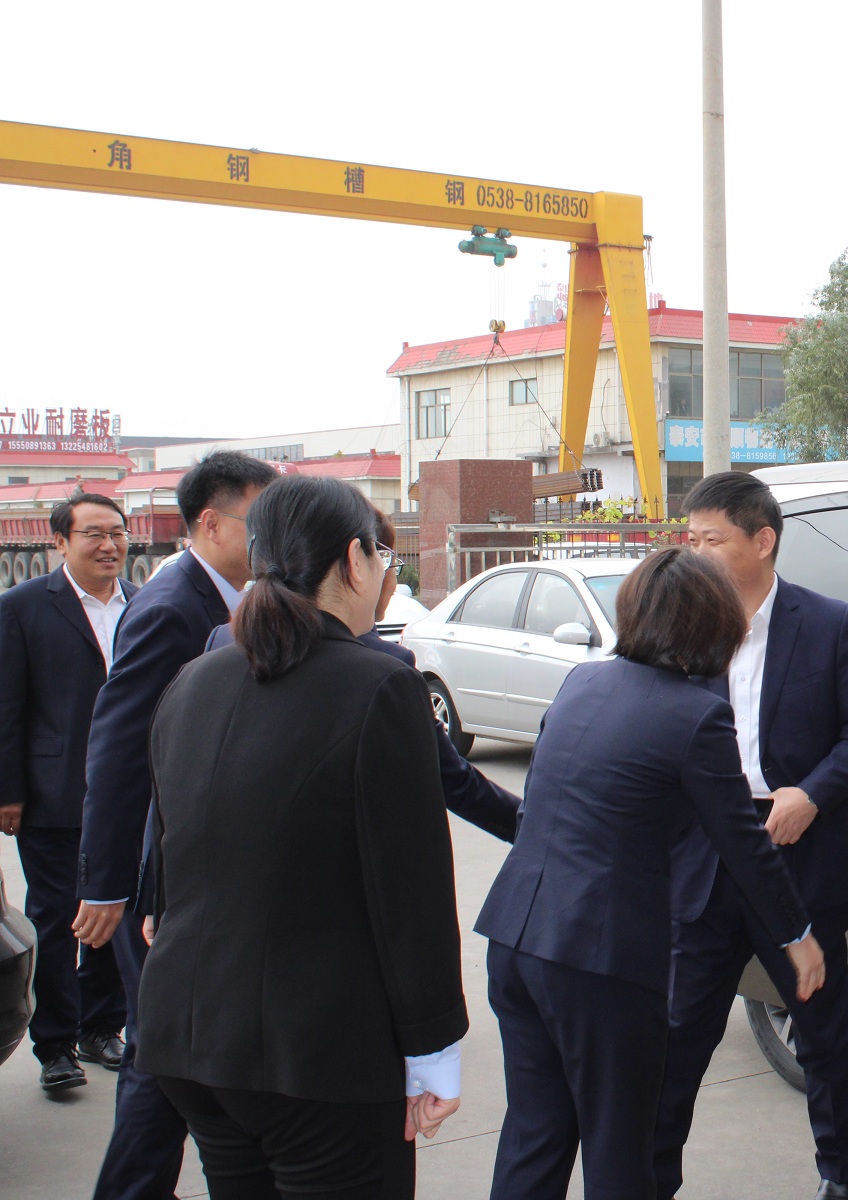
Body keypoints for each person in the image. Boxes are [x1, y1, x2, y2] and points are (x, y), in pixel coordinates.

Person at [136, 473, 467, 1199]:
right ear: (354, 559)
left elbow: (172, 847)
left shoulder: (192, 681)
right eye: (381, 553)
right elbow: (410, 892)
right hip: (316, 1055)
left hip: (190, 1040)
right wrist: (434, 1048)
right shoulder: (378, 687)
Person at [477, 546, 823, 1200]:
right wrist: (796, 935)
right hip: (598, 959)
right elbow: (744, 845)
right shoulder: (695, 716)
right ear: (714, 626)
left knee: (534, 1137)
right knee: (619, 1147)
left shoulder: (582, 682)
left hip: (516, 937)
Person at [654, 471, 848, 1200]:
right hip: (708, 854)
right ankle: (649, 1174)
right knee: (679, 1031)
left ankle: (844, 1177)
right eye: (689, 539)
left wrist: (813, 794)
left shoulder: (828, 623)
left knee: (822, 1029)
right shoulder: (681, 626)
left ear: (762, 541)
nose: (695, 554)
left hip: (801, 853)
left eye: (712, 540)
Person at [76, 449, 277, 1200]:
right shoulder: (172, 607)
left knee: (166, 1051)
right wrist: (106, 884)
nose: (269, 537)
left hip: (188, 870)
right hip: (153, 874)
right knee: (159, 1053)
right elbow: (119, 750)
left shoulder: (231, 597)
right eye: (259, 521)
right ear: (211, 522)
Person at [203, 504, 521, 843]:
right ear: (357, 562)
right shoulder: (386, 671)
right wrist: (538, 828)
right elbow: (453, 782)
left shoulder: (221, 641)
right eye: (386, 561)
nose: (392, 579)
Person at [0, 492, 133, 1092]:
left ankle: (101, 1027)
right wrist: (9, 791)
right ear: (60, 542)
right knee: (56, 919)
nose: (109, 545)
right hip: (53, 794)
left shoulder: (143, 604)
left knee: (116, 911)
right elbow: (7, 707)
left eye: (117, 532)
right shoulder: (23, 607)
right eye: (94, 534)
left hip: (127, 793)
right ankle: (55, 1044)